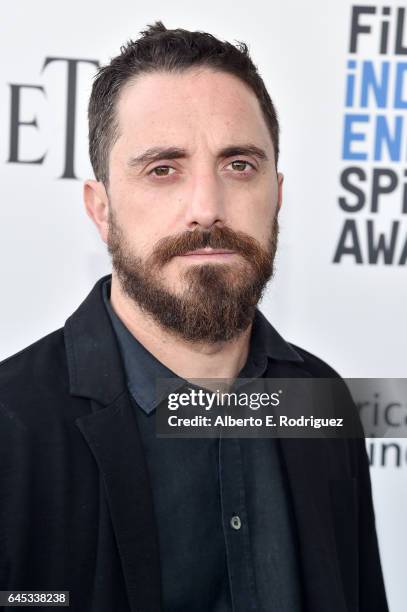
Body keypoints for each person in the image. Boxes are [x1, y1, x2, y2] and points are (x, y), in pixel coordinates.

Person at [0, 21, 388, 612]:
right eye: (163, 169)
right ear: (101, 210)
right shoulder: (12, 428)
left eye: (239, 165)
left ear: (277, 194)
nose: (207, 208)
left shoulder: (321, 401)